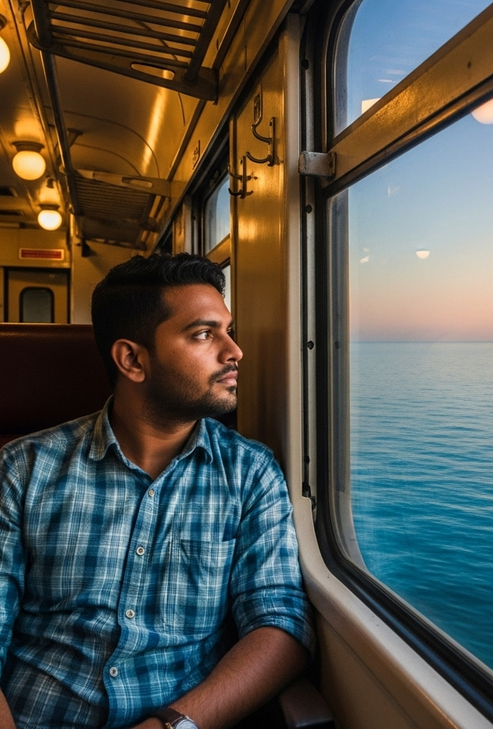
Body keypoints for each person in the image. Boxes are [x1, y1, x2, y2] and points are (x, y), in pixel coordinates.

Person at [0, 253, 314, 729]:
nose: (235, 352)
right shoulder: (24, 469)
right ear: (133, 359)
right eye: (204, 334)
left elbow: (280, 624)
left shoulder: (250, 474)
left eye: (228, 330)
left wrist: (172, 725)